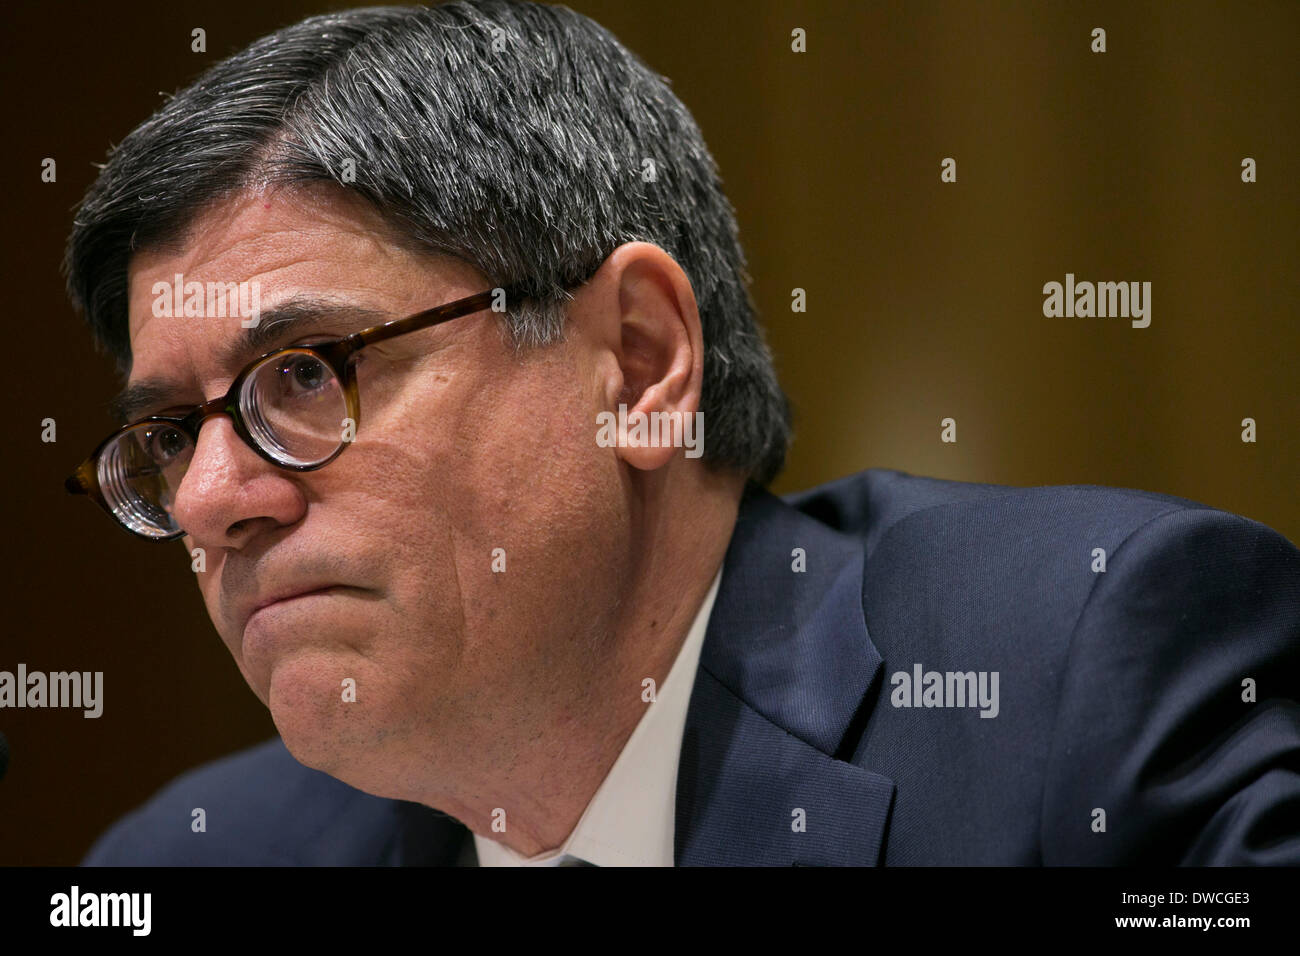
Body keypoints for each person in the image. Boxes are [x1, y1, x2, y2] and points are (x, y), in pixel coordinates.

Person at [66, 1, 1299, 866]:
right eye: (171, 433)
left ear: (642, 364)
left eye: (302, 372)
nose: (207, 499)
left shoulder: (1085, 684)